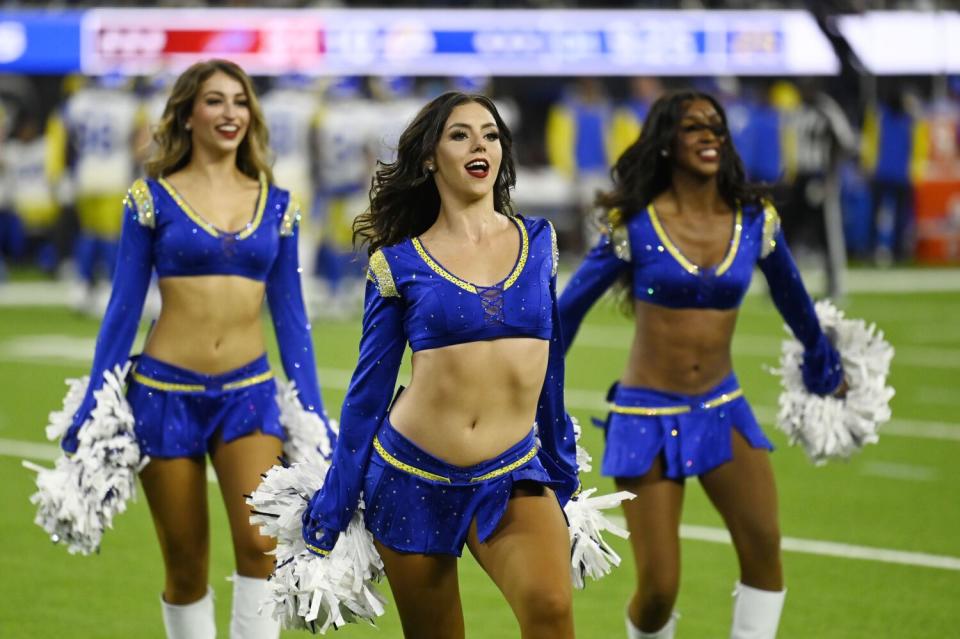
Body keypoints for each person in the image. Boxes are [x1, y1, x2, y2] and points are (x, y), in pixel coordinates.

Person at [56, 59, 334, 639]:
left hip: (249, 397)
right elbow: (123, 310)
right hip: (163, 395)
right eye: (215, 100)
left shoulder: (277, 203)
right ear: (187, 113)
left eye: (240, 101)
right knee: (185, 568)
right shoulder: (149, 198)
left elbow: (292, 320)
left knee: (262, 549)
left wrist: (311, 409)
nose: (230, 112)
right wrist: (93, 401)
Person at [558, 90, 845, 639]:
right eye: (694, 128)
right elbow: (565, 316)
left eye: (716, 126)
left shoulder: (754, 221)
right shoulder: (634, 225)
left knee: (763, 549)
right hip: (644, 417)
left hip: (722, 408)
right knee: (660, 587)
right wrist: (534, 395)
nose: (710, 135)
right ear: (667, 144)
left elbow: (794, 300)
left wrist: (824, 360)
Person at [301, 91, 582, 639]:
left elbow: (550, 370)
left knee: (551, 612)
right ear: (430, 157)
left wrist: (561, 466)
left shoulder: (539, 242)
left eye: (491, 134)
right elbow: (368, 394)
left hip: (513, 474)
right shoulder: (397, 262)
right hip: (412, 478)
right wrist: (332, 508)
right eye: (460, 134)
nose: (480, 144)